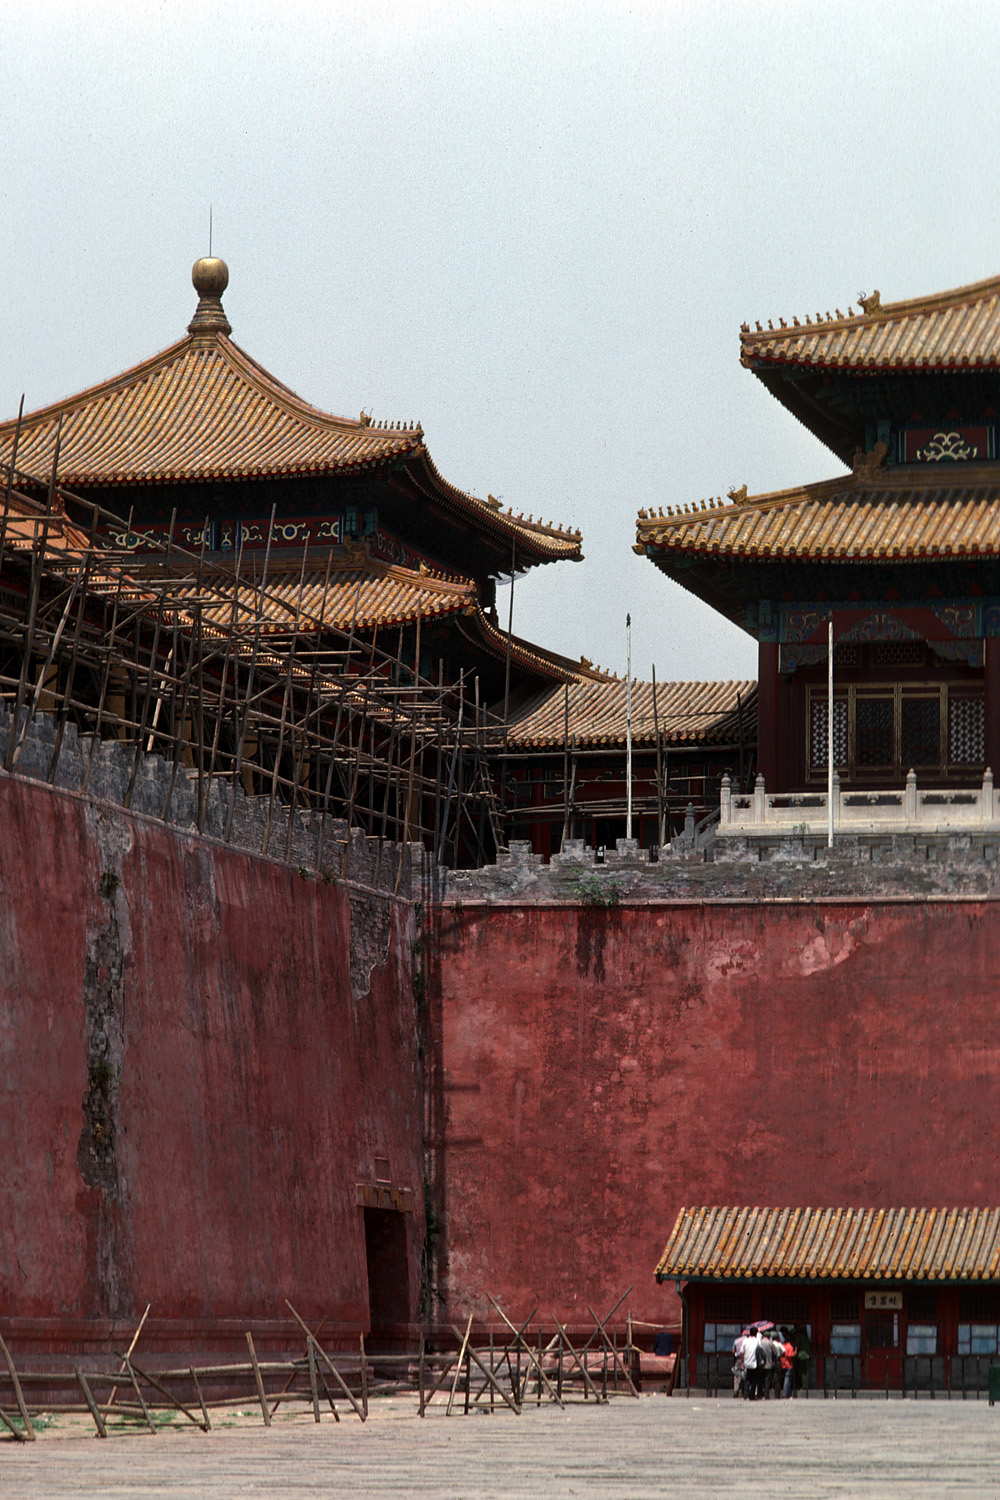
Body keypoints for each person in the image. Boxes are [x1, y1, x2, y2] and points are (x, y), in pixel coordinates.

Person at [743, 1325, 761, 1399]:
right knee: (754, 1379)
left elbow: (741, 1352)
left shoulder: (745, 1340)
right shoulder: (757, 1341)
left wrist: (742, 1361)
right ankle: (751, 1395)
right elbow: (760, 1349)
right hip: (754, 1362)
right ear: (756, 1333)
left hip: (747, 1362)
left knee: (748, 1378)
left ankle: (746, 1389)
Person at [780, 1327, 796, 1399]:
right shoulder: (790, 1347)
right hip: (789, 1364)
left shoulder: (783, 1346)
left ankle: (785, 1392)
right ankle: (785, 1393)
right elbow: (790, 1356)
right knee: (787, 1379)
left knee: (784, 1379)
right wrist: (794, 1353)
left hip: (783, 1364)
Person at [732, 1331, 745, 1398]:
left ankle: (736, 1391)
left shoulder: (736, 1340)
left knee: (737, 1376)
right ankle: (744, 1391)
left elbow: (733, 1351)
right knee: (745, 1375)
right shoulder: (747, 1341)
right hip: (745, 1360)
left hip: (738, 1359)